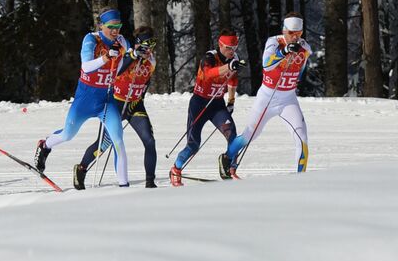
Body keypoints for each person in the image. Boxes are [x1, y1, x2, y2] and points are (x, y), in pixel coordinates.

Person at [33, 8, 133, 188]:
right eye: (111, 27)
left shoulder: (121, 41)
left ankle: (124, 186)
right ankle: (45, 145)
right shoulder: (91, 39)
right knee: (68, 134)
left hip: (106, 100)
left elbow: (131, 55)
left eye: (118, 26)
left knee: (118, 140)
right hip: (85, 100)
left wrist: (136, 54)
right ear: (101, 25)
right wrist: (105, 57)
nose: (115, 31)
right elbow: (86, 67)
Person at [225, 14, 313, 179]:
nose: (294, 37)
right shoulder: (274, 42)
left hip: (288, 99)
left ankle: (301, 179)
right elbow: (266, 64)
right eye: (291, 33)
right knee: (250, 135)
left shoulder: (305, 48)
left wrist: (292, 74)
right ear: (284, 30)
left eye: (298, 34)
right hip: (267, 97)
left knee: (302, 138)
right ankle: (227, 159)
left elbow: (300, 73)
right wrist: (285, 52)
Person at [75, 25, 158, 190]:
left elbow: (146, 81)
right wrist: (133, 55)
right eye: (147, 45)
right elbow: (120, 69)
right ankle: (81, 168)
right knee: (104, 144)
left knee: (149, 141)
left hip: (134, 105)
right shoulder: (126, 54)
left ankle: (150, 182)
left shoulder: (151, 61)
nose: (150, 49)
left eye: (153, 45)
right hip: (116, 102)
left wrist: (140, 96)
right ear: (139, 44)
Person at [170, 33, 243, 186]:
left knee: (233, 136)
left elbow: (233, 79)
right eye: (229, 48)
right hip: (200, 103)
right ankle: (176, 169)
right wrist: (228, 67)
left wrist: (231, 101)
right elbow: (208, 74)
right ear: (220, 45)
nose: (231, 51)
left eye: (234, 48)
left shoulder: (233, 59)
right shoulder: (209, 57)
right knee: (194, 144)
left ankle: (230, 167)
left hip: (217, 104)